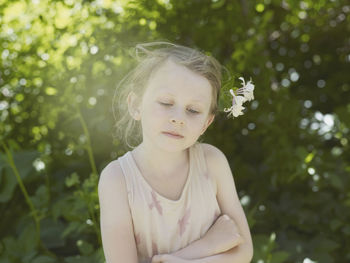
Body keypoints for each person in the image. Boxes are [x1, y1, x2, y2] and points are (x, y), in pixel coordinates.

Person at [98, 41, 253, 263]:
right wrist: (207, 246)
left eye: (193, 110)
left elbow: (243, 251)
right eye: (165, 102)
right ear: (135, 105)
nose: (178, 118)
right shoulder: (117, 179)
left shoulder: (212, 162)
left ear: (205, 124)